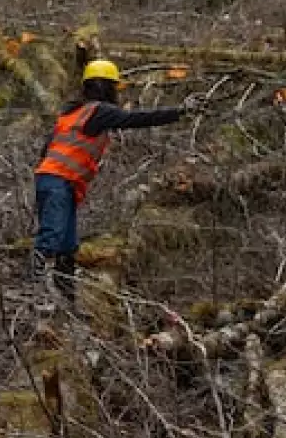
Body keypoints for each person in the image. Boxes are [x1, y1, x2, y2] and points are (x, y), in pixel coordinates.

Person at [32, 58, 204, 297]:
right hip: (59, 181)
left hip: (54, 180)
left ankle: (67, 299)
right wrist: (180, 111)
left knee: (67, 246)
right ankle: (34, 290)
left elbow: (46, 149)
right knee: (51, 238)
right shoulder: (99, 111)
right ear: (107, 87)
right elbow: (136, 119)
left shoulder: (71, 114)